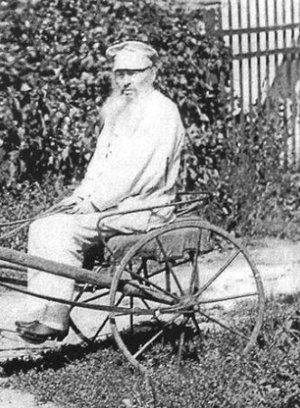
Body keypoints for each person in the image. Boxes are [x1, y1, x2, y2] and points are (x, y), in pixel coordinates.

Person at [15, 40, 187, 344]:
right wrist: (81, 197)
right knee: (43, 224)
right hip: (116, 206)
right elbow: (99, 164)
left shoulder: (161, 112)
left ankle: (55, 317)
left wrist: (95, 203)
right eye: (120, 74)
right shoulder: (120, 110)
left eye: (133, 73)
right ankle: (41, 310)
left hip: (143, 208)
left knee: (61, 231)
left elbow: (135, 173)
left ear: (152, 73)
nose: (125, 81)